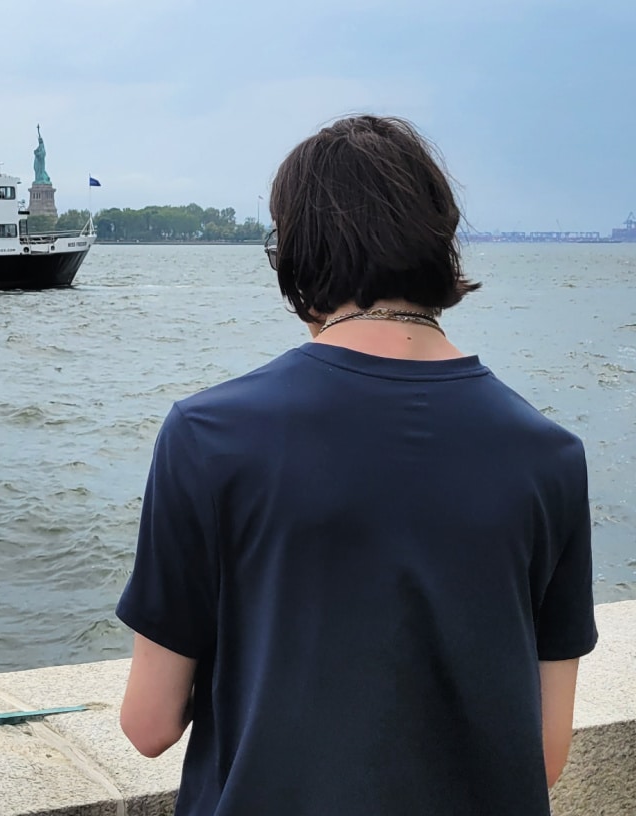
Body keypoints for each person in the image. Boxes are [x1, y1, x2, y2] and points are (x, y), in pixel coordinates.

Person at [116, 115, 596, 816]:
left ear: (298, 256)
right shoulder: (550, 455)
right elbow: (544, 753)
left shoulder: (209, 433)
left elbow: (149, 724)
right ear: (440, 245)